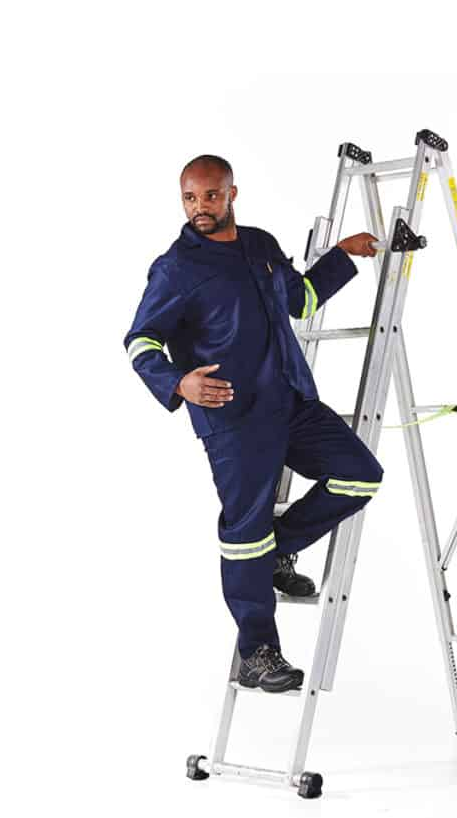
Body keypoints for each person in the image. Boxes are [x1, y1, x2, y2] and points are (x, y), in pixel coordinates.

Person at [124, 154, 383, 693]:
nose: (199, 207)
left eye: (210, 196)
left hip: (289, 399)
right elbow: (140, 340)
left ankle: (279, 549)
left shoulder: (260, 245)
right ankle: (257, 652)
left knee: (360, 475)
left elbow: (302, 301)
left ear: (231, 194)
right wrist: (178, 382)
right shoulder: (176, 267)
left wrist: (341, 255)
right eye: (190, 198)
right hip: (232, 416)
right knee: (245, 530)